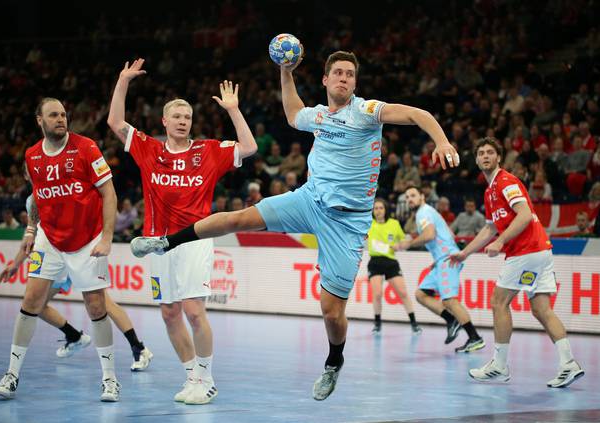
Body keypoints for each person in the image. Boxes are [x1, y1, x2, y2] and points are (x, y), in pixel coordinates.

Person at [130, 50, 460, 401]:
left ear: (355, 83)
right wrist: (286, 72)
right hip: (309, 200)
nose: (344, 79)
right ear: (325, 80)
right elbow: (291, 113)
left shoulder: (365, 111)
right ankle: (165, 242)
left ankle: (334, 362)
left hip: (347, 223)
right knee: (240, 217)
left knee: (332, 313)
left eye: (350, 74)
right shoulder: (317, 115)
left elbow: (416, 113)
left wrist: (441, 140)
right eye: (338, 73)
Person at [107, 58, 257, 404]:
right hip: (158, 245)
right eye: (176, 117)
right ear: (164, 121)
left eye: (187, 117)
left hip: (194, 241)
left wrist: (233, 110)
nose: (183, 121)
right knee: (169, 313)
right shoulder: (150, 149)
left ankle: (206, 378)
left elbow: (249, 148)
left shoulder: (207, 152)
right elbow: (115, 121)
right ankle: (191, 376)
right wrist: (123, 80)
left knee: (193, 310)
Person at [0, 98, 120, 401]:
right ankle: (11, 375)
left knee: (97, 306)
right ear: (40, 120)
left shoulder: (86, 147)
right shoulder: (32, 155)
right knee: (31, 300)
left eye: (63, 114)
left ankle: (110, 379)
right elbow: (38, 197)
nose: (61, 119)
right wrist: (30, 231)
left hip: (88, 239)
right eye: (53, 115)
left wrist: (107, 238)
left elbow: (109, 192)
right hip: (49, 238)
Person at [449, 137, 584, 388]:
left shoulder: (506, 182)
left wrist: (501, 242)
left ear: (498, 157)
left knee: (499, 302)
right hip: (539, 251)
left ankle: (499, 365)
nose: (486, 156)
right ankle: (569, 364)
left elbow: (524, 215)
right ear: (477, 160)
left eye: (491, 152)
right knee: (541, 309)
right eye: (481, 153)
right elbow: (490, 229)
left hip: (526, 251)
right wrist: (465, 252)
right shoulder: (489, 191)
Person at [0, 195, 152, 369]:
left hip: (75, 250)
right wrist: (16, 264)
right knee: (36, 305)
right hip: (57, 255)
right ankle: (74, 337)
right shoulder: (34, 198)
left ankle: (137, 348)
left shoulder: (60, 188)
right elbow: (35, 238)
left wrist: (16, 264)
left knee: (102, 304)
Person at [395, 186, 485, 353]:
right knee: (420, 294)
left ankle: (474, 337)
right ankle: (452, 321)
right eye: (407, 197)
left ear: (422, 196)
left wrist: (408, 243)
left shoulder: (423, 213)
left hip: (447, 260)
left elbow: (429, 235)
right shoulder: (429, 212)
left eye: (413, 195)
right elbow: (450, 233)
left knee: (450, 301)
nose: (410, 199)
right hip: (441, 260)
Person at [367, 198, 421, 334]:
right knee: (377, 294)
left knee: (403, 293)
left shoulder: (394, 224)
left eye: (381, 208)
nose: (378, 211)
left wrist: (400, 245)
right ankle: (377, 323)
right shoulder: (368, 224)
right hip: (375, 262)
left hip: (390, 262)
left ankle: (414, 323)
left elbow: (405, 240)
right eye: (376, 208)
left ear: (385, 210)